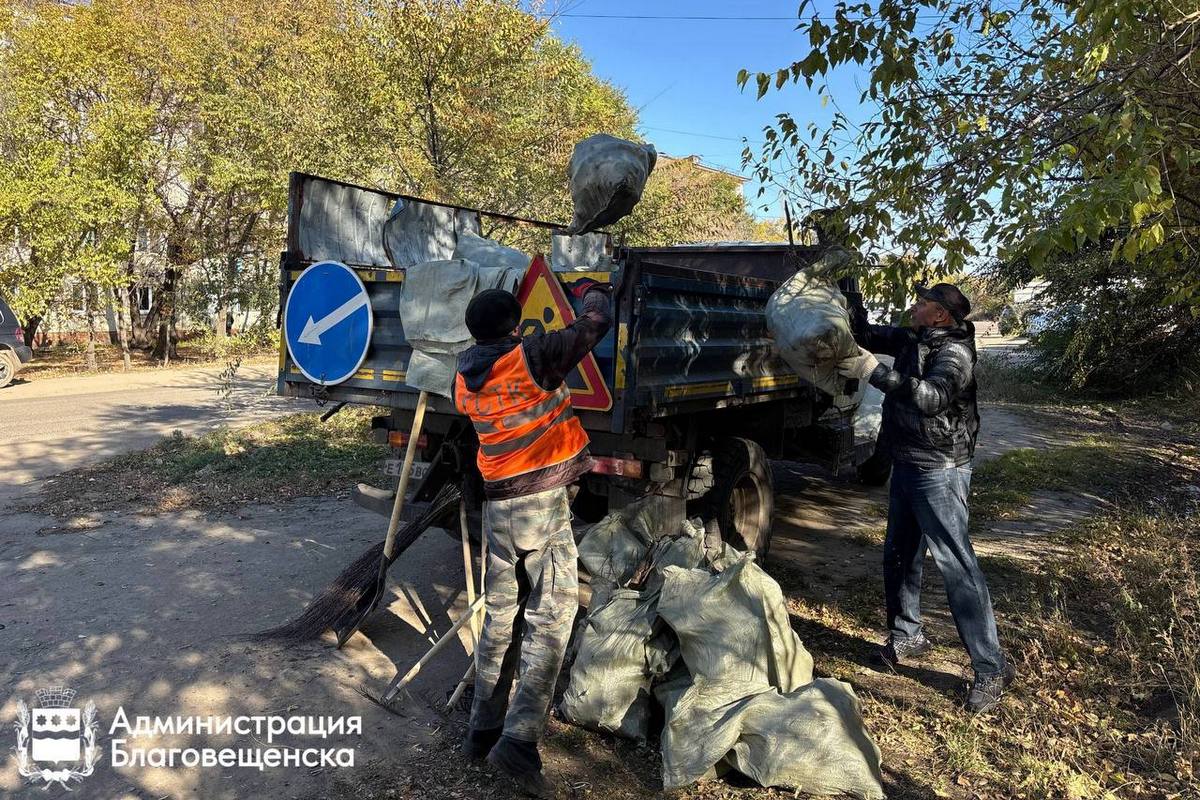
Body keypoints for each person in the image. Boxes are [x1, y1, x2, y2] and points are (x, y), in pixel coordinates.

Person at [453, 282, 612, 797]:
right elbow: (594, 326)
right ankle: (519, 745)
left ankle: (482, 730)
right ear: (515, 328)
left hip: (498, 505)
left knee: (501, 616)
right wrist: (592, 293)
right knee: (552, 617)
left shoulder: (463, 374)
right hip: (540, 503)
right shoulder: (531, 356)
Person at [840, 282, 1015, 714]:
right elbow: (864, 333)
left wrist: (872, 372)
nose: (912, 307)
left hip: (939, 466)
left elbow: (932, 398)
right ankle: (907, 636)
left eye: (920, 304)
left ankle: (991, 668)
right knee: (899, 552)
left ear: (939, 316)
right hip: (907, 460)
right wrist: (849, 290)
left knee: (955, 563)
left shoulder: (954, 354)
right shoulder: (914, 337)